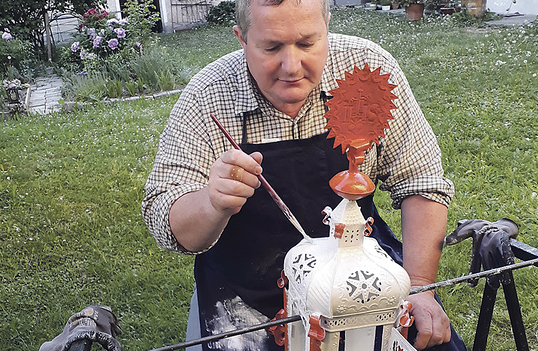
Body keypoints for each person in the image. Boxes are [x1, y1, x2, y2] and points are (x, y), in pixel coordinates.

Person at [142, 0, 467, 349]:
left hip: (359, 273)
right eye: (271, 47)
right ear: (242, 39)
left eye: (307, 43)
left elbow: (420, 181)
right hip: (248, 291)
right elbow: (167, 220)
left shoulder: (368, 72)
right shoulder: (207, 96)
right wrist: (210, 202)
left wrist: (418, 286)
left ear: (327, 24)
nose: (291, 66)